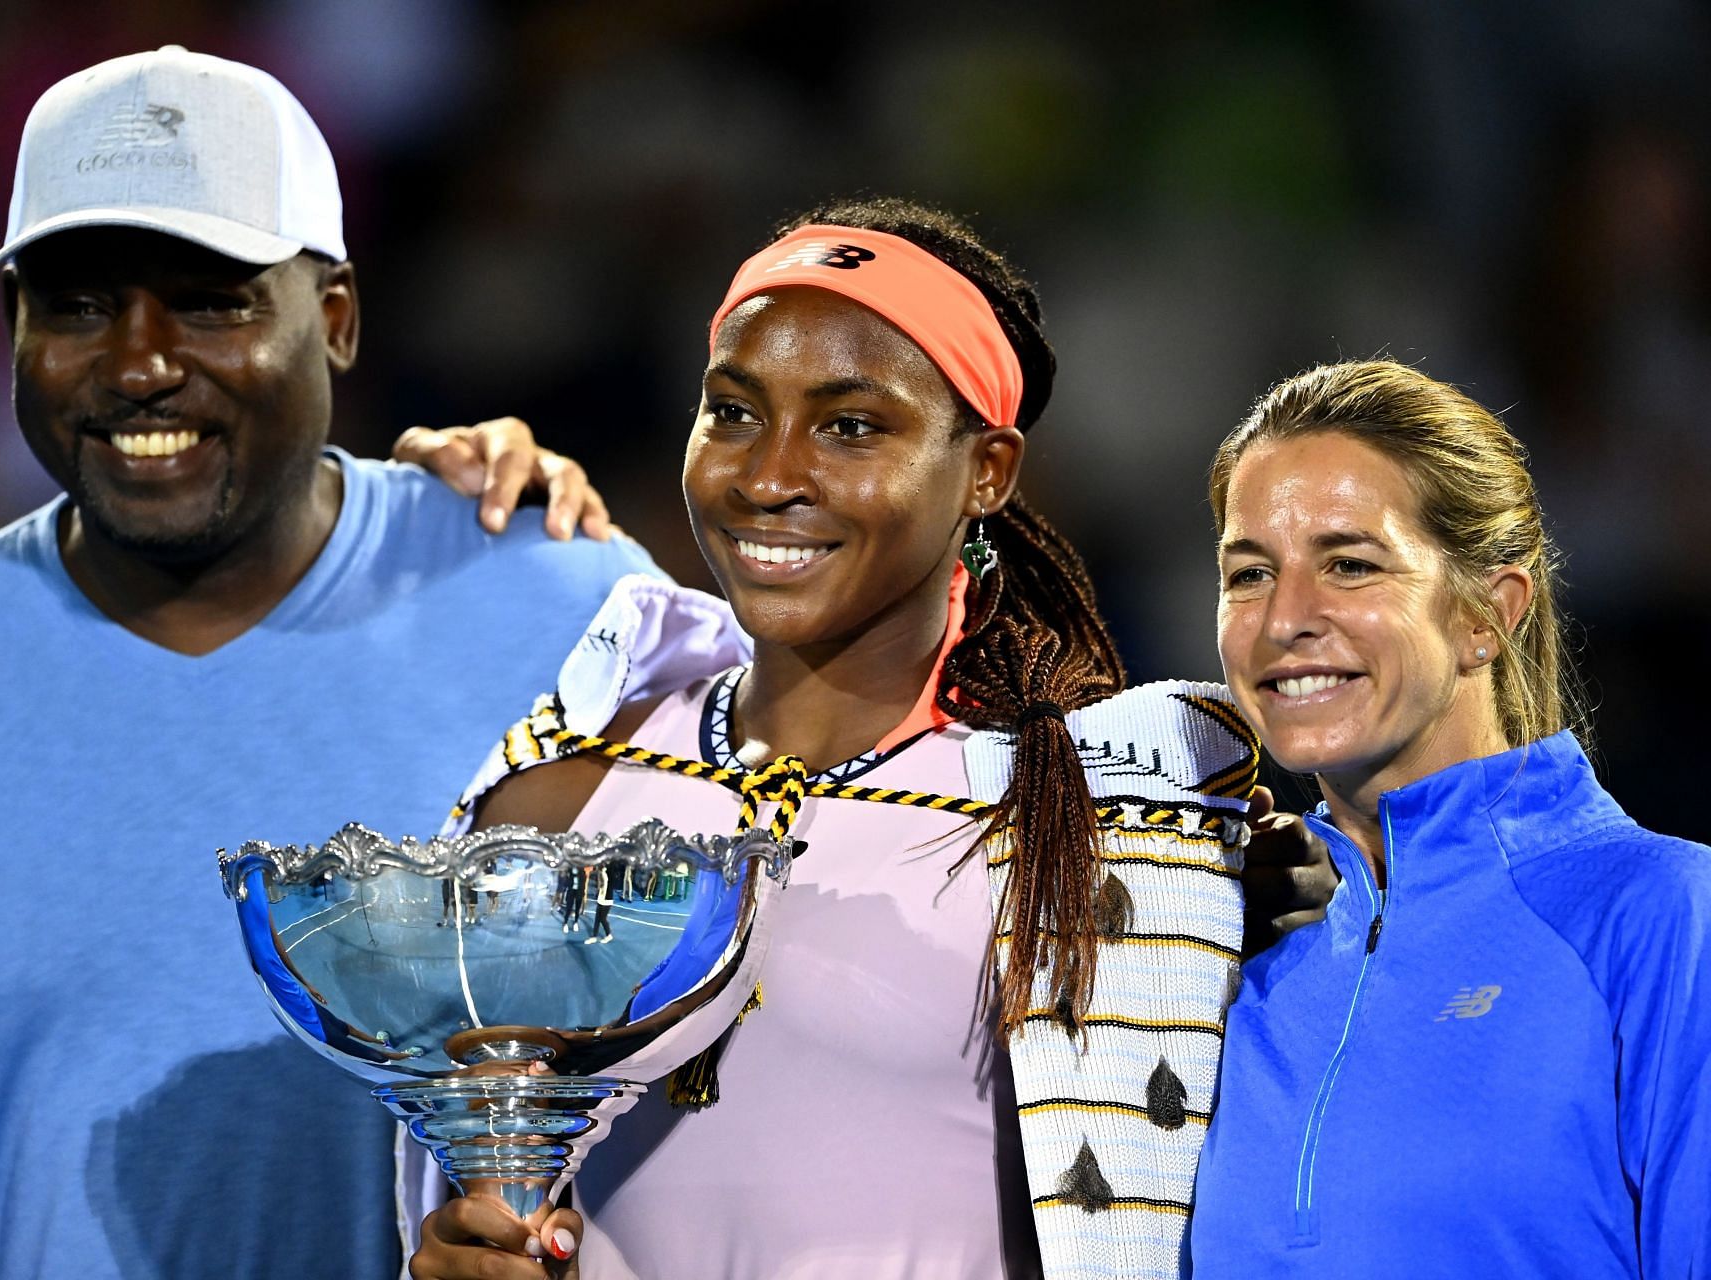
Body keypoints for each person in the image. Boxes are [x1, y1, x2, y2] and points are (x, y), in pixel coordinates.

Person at [0, 47, 655, 1280]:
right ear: (13, 328)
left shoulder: (574, 606)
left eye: (212, 300)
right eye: (80, 303)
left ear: (338, 320)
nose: (139, 362)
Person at [404, 199, 1307, 1280]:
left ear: (989, 471)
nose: (769, 474)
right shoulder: (560, 797)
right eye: (733, 411)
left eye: (850, 426)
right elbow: (465, 1204)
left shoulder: (1096, 827)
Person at [1190, 360, 1711, 1276]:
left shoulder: (1664, 913)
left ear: (1486, 613)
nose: (1285, 619)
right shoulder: (1208, 941)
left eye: (1349, 564)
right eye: (1249, 573)